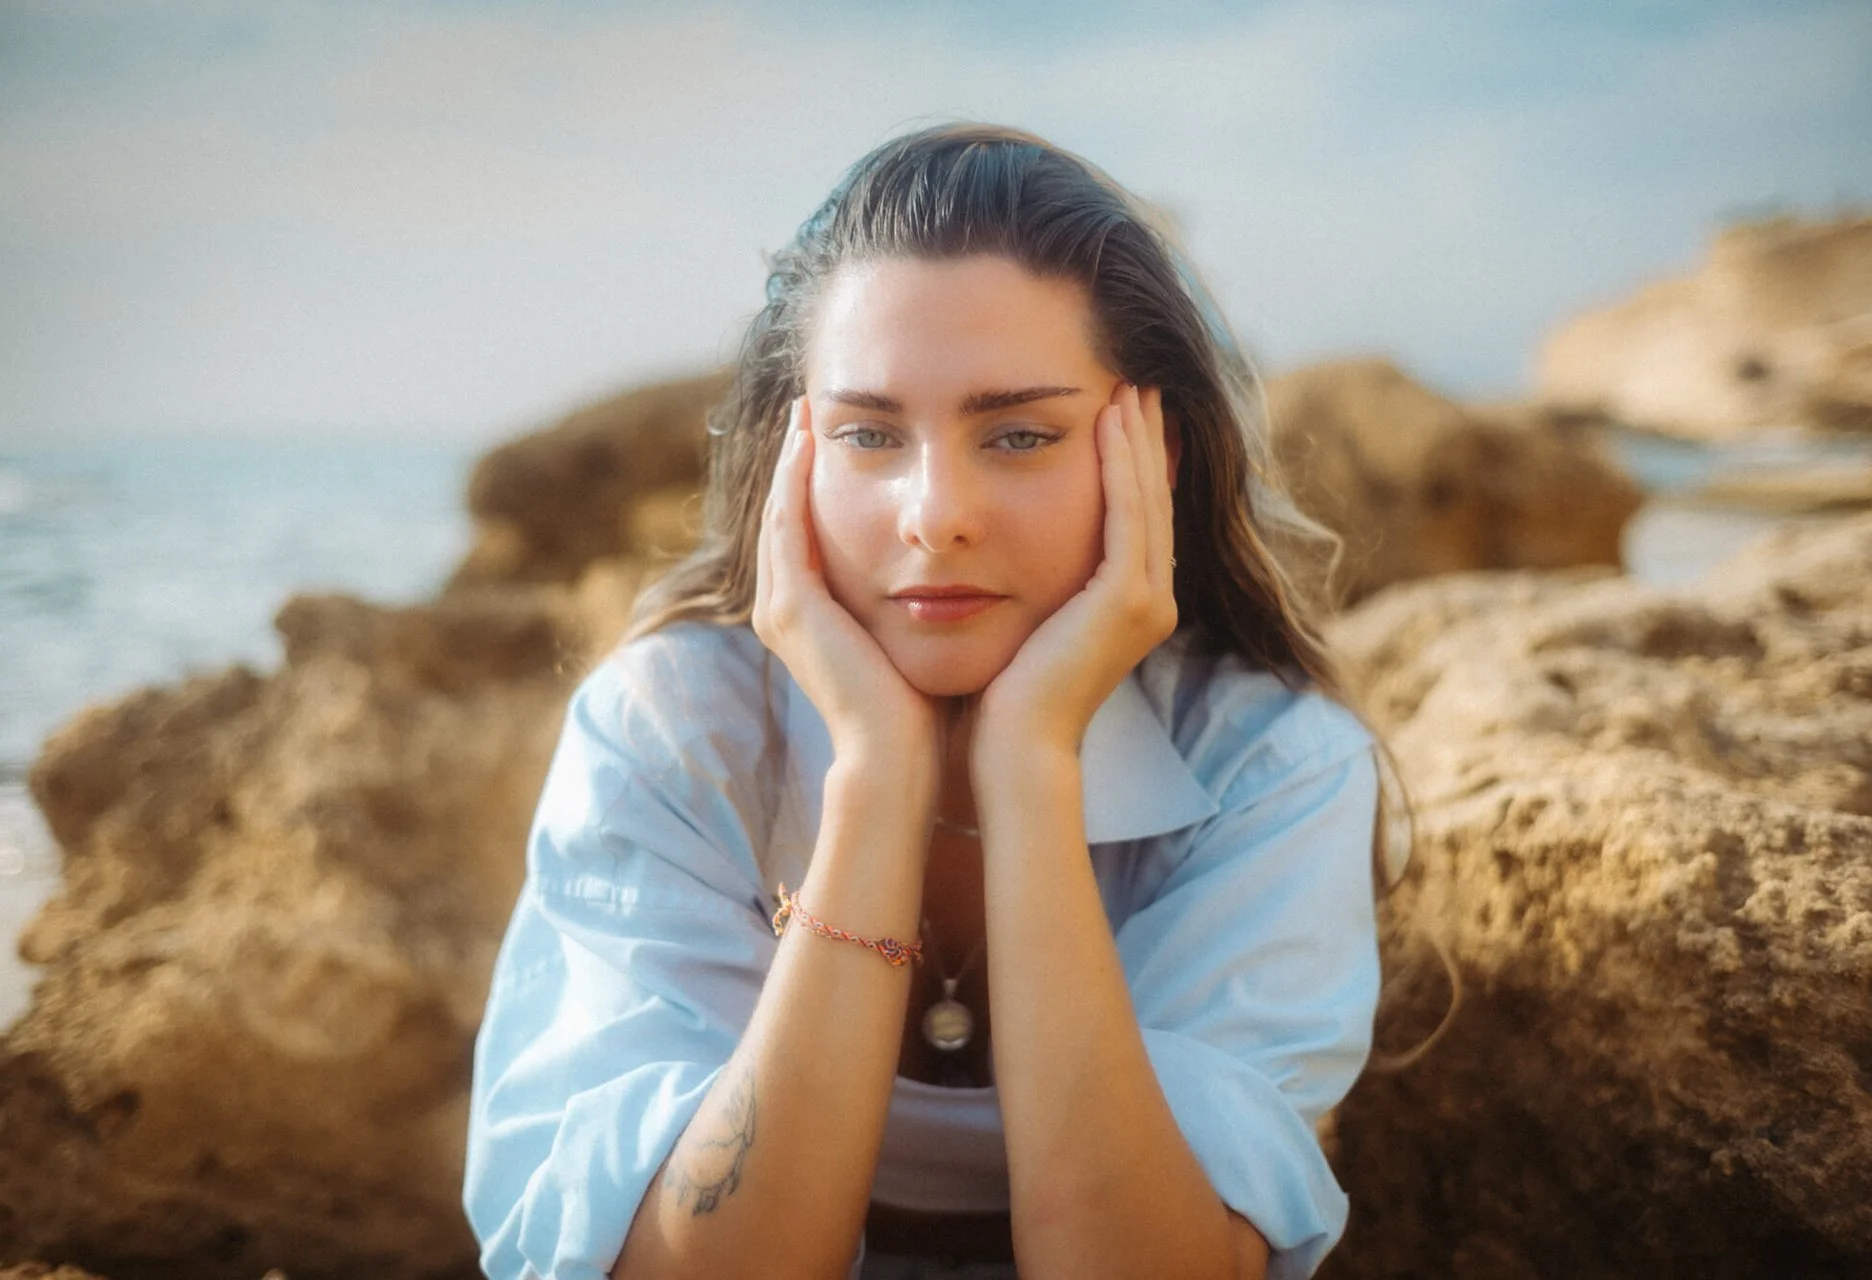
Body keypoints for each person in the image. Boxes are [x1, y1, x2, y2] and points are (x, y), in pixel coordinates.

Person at [462, 123, 1387, 1280]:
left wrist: (1034, 768)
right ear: (791, 458)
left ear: (1159, 457)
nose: (935, 512)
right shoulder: (669, 733)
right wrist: (874, 779)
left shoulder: (1273, 768)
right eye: (868, 433)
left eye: (1018, 433)